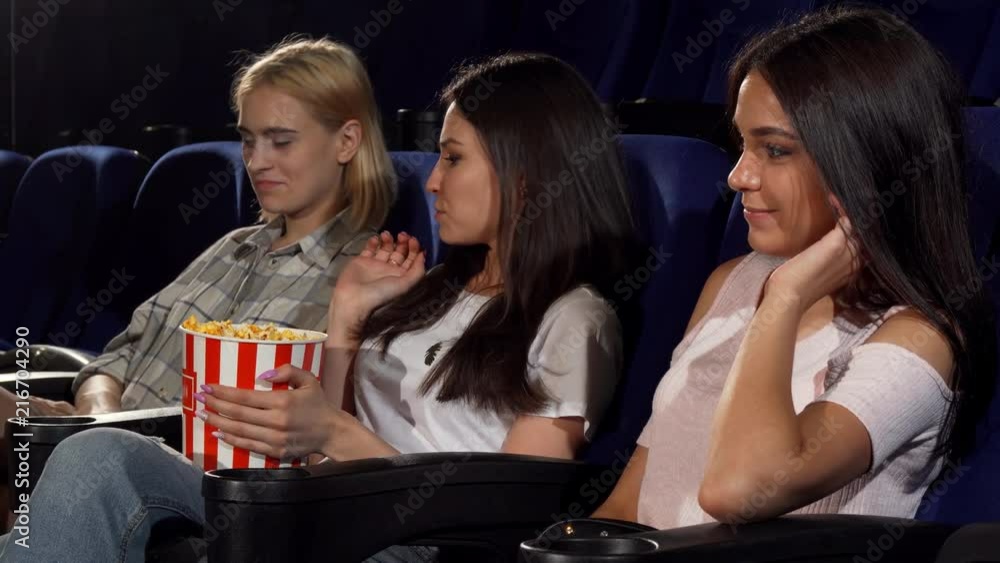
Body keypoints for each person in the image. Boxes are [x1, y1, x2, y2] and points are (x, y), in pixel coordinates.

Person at [0, 52, 637, 562]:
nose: (433, 180)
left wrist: (332, 432)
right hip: (314, 502)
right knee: (97, 457)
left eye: (454, 158)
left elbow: (505, 508)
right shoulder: (436, 289)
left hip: (409, 540)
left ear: (525, 173)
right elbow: (322, 444)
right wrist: (346, 320)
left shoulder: (574, 320)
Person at [591, 5, 996, 529]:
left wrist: (785, 297)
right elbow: (629, 503)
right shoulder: (731, 282)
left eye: (776, 150)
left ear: (867, 163)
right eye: (742, 144)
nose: (738, 176)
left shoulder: (919, 340)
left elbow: (737, 490)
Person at [0, 36, 395, 421]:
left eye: (281, 142)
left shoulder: (367, 278)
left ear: (346, 141)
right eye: (248, 140)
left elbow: (327, 434)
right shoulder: (233, 247)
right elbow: (117, 358)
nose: (256, 162)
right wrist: (99, 411)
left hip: (171, 459)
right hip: (95, 429)